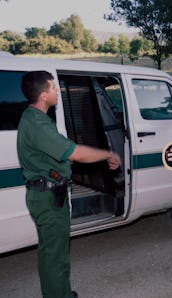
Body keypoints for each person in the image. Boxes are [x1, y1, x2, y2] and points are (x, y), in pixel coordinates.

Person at [17, 71, 121, 298]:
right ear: (43, 95)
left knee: (52, 253)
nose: (57, 92)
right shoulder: (37, 124)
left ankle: (60, 293)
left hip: (47, 193)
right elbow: (75, 153)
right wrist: (108, 154)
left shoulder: (37, 117)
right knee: (55, 255)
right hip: (48, 198)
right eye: (53, 88)